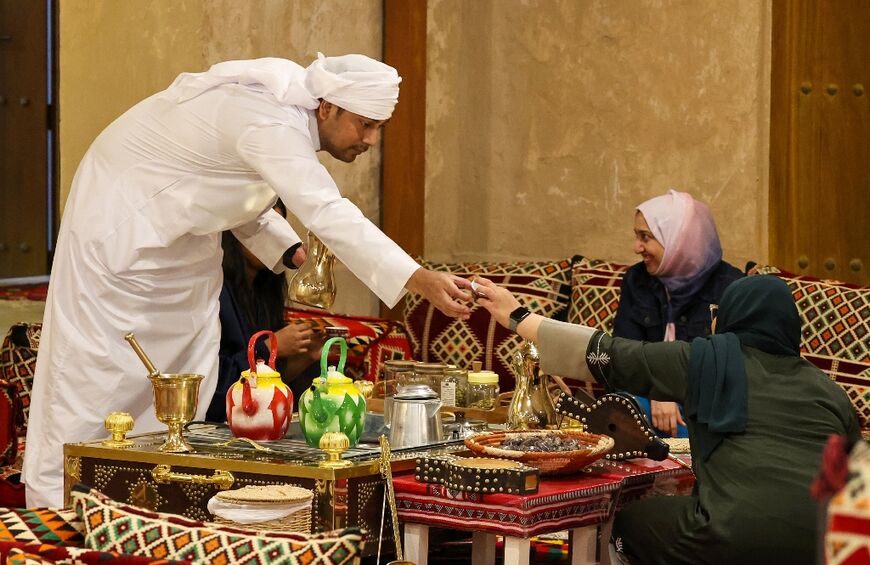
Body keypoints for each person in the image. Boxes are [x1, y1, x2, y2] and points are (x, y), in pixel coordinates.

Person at [24, 53, 473, 507]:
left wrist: (285, 247)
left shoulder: (283, 118)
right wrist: (417, 277)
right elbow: (327, 210)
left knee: (183, 382)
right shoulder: (270, 121)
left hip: (184, 245)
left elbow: (227, 179)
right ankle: (63, 505)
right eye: (366, 124)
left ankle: (153, 505)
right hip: (119, 233)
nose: (372, 140)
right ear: (327, 109)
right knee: (101, 378)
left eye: (379, 128)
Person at [474, 275, 859, 564]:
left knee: (629, 524)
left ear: (732, 317)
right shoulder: (829, 391)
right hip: (825, 544)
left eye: (717, 314)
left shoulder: (703, 359)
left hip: (726, 535)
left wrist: (518, 316)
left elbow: (607, 354)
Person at [614, 189, 743, 437]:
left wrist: (671, 394)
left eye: (646, 237)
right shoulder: (636, 280)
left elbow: (730, 371)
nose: (636, 247)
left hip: (702, 405)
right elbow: (622, 357)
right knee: (622, 409)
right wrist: (655, 393)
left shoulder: (730, 287)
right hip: (644, 399)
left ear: (678, 239)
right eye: (636, 236)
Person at [206, 200, 323, 422]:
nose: (274, 242)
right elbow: (216, 386)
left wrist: (304, 358)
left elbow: (263, 389)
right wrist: (269, 347)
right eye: (262, 230)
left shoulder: (264, 292)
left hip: (254, 420)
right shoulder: (215, 291)